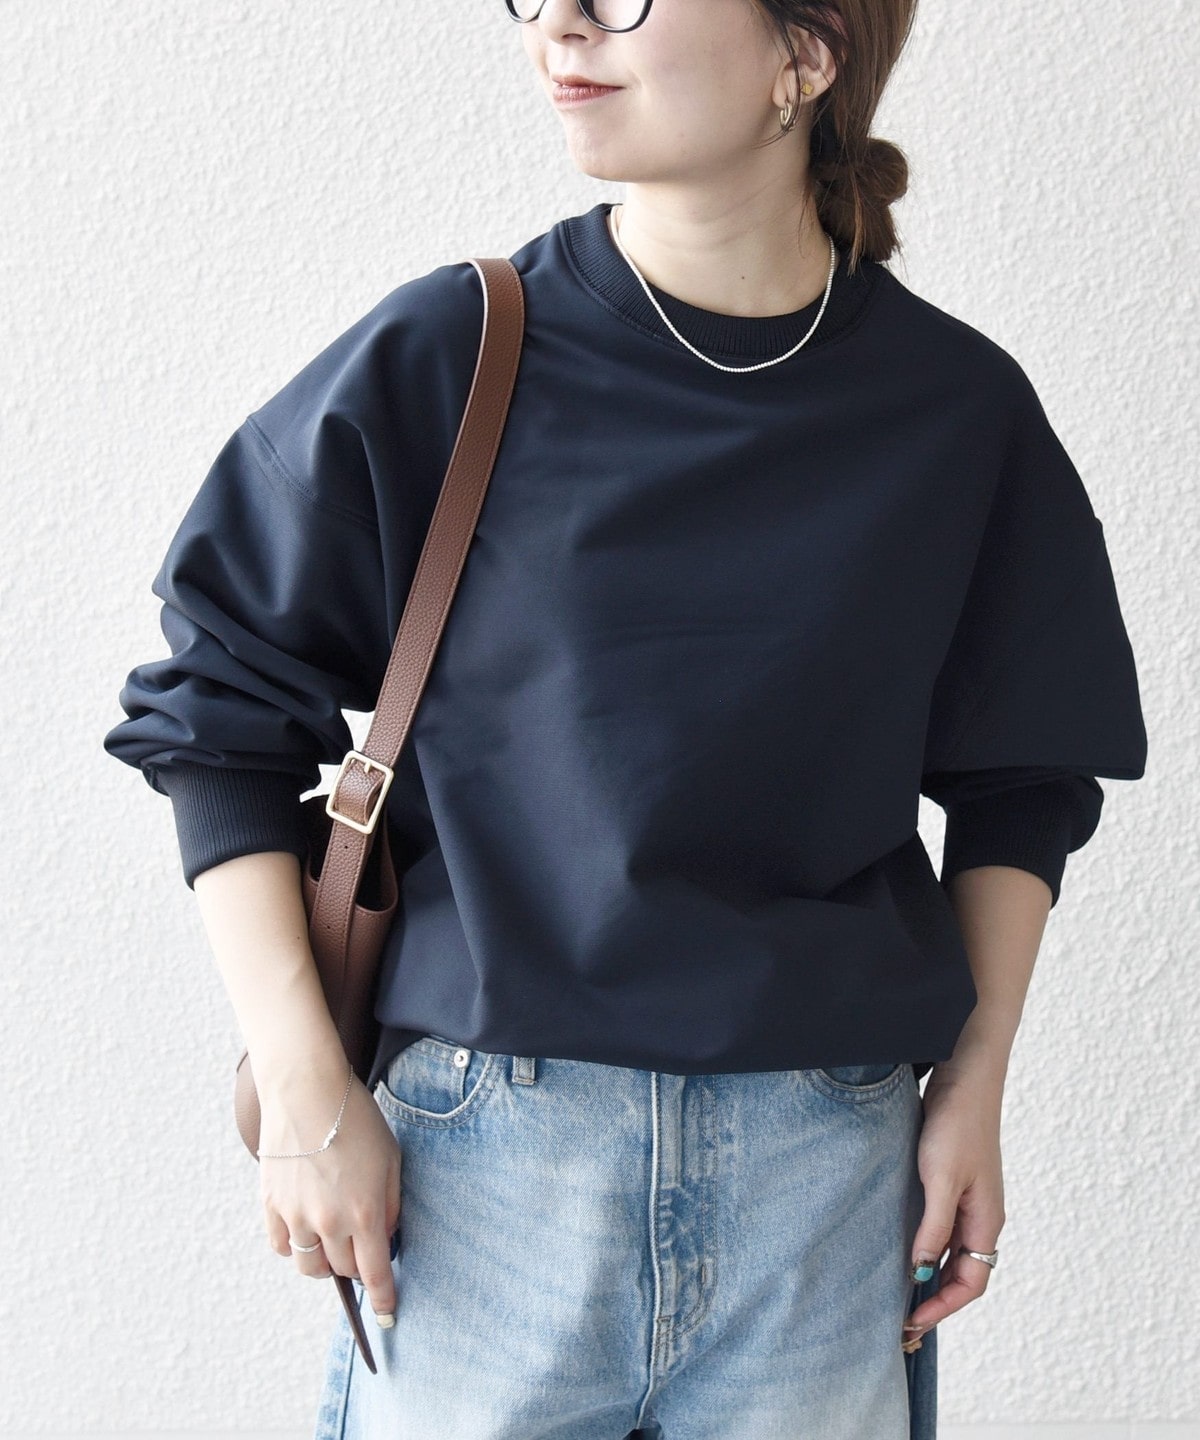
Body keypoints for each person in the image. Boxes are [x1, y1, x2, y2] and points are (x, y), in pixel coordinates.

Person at [103, 0, 1148, 1435]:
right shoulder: (452, 356)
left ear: (808, 52)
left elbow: (1025, 775)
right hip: (481, 1183)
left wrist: (975, 1085)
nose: (563, 23)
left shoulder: (959, 410)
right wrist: (304, 1092)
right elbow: (217, 712)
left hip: (825, 1192)